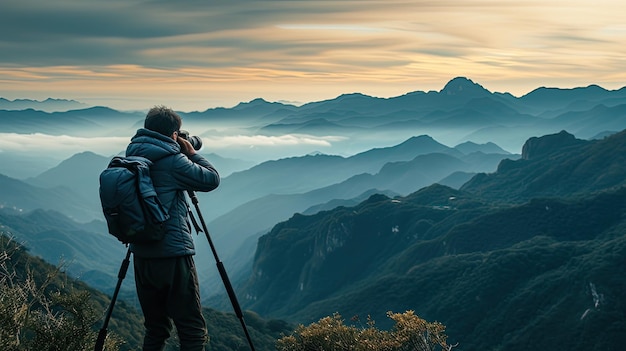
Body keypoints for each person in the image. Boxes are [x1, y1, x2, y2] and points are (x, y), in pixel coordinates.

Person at [125, 105, 220, 351]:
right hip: (173, 255)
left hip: (142, 255)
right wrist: (192, 154)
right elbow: (211, 179)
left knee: (155, 328)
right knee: (191, 329)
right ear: (174, 135)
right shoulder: (174, 161)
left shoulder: (131, 157)